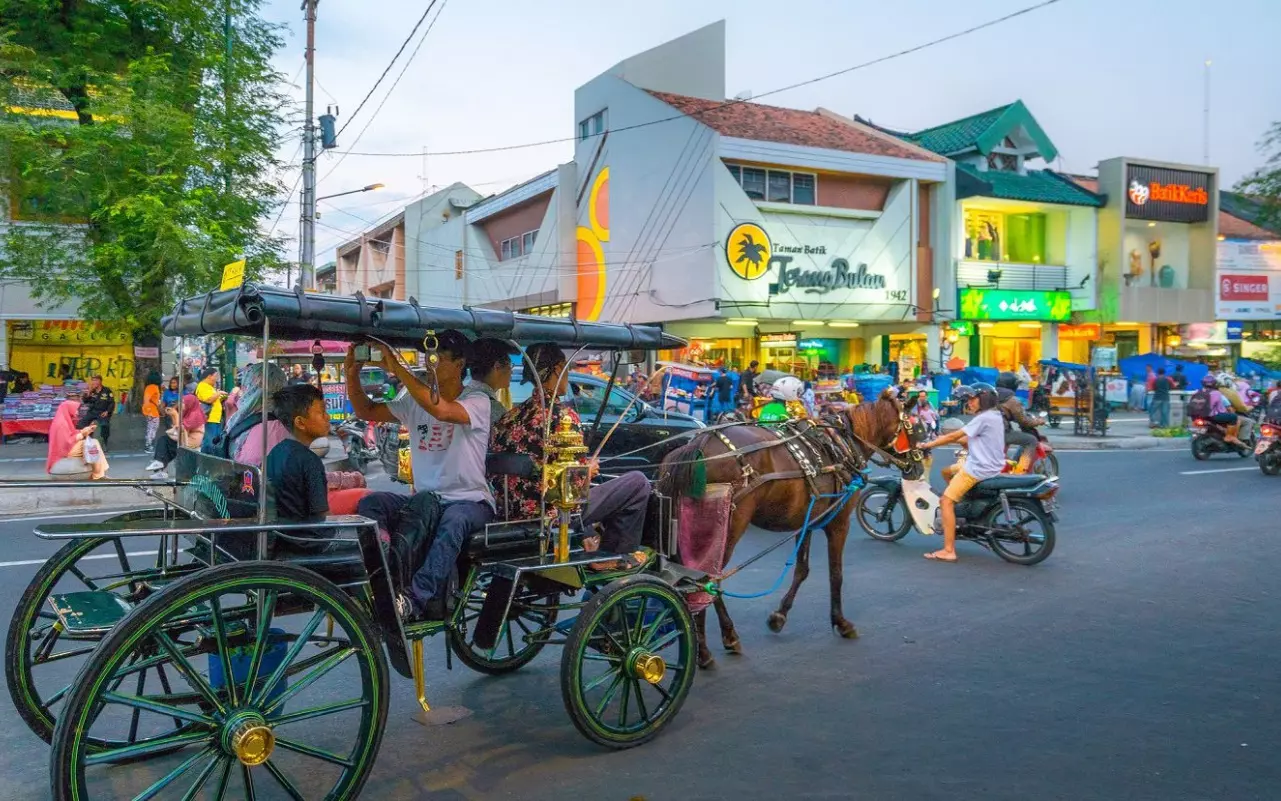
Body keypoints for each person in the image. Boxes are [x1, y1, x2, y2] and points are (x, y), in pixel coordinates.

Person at [345, 331, 495, 620]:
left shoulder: (477, 400)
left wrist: (398, 368)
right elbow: (365, 410)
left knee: (455, 521)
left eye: (438, 358)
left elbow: (442, 410)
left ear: (460, 363)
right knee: (370, 504)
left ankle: (414, 598)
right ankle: (385, 574)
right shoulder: (415, 400)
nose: (430, 364)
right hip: (426, 501)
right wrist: (352, 372)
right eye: (428, 358)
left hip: (470, 502)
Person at [491, 343, 651, 571]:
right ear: (557, 369)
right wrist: (588, 470)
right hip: (554, 515)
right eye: (566, 368)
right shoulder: (563, 417)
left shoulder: (509, 418)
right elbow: (574, 488)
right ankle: (612, 556)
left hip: (510, 513)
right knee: (638, 483)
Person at [917, 385, 1005, 562]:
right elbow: (966, 438)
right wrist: (941, 440)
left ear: (984, 399)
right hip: (991, 466)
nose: (969, 403)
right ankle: (962, 503)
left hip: (978, 469)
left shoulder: (983, 418)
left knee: (945, 501)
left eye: (973, 399)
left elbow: (953, 436)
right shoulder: (995, 416)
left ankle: (949, 550)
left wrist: (926, 445)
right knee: (946, 472)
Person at [265, 384, 332, 547]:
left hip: (283, 536)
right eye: (322, 412)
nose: (328, 417)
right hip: (306, 541)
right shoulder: (309, 460)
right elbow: (321, 514)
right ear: (300, 423)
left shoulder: (276, 451)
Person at [145, 395, 206, 478]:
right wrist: (174, 415)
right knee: (165, 442)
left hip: (190, 442)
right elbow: (177, 426)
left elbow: (180, 428)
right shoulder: (190, 412)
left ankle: (160, 465)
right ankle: (161, 467)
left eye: (184, 402)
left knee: (164, 441)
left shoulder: (194, 414)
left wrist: (175, 415)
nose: (182, 404)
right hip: (185, 438)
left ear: (190, 403)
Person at [994, 372, 1042, 474]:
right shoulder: (1011, 400)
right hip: (1002, 432)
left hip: (986, 430)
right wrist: (1038, 421)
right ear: (1012, 385)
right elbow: (1024, 421)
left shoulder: (991, 395)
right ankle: (1021, 471)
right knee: (1031, 440)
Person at [47, 401, 109, 480]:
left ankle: (100, 472)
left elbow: (71, 434)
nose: (77, 412)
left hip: (69, 447)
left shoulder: (63, 420)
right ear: (68, 409)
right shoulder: (61, 423)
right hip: (66, 450)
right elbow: (67, 442)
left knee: (93, 443)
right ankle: (98, 475)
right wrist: (83, 433)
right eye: (76, 409)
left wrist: (86, 430)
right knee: (93, 443)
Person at [466, 338, 518, 425]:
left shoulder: (463, 395)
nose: (511, 371)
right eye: (510, 365)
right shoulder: (492, 408)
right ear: (497, 366)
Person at [77, 375, 115, 449]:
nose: (94, 382)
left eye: (96, 380)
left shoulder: (107, 390)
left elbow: (112, 403)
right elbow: (85, 401)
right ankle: (86, 440)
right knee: (80, 424)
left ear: (100, 381)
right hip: (92, 411)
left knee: (105, 425)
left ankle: (104, 441)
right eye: (93, 380)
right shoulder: (92, 391)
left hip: (102, 412)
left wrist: (108, 411)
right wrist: (89, 392)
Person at [195, 368, 228, 448]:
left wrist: (222, 396)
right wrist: (219, 393)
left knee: (214, 442)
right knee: (209, 443)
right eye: (215, 376)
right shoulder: (202, 386)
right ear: (209, 376)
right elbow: (209, 399)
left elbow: (214, 399)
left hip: (215, 419)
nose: (216, 379)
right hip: (209, 419)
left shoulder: (209, 387)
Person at [142, 371, 162, 450]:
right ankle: (148, 445)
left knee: (152, 427)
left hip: (150, 410)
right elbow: (146, 399)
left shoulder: (150, 386)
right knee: (152, 427)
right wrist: (148, 410)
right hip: (151, 410)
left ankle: (149, 444)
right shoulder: (152, 387)